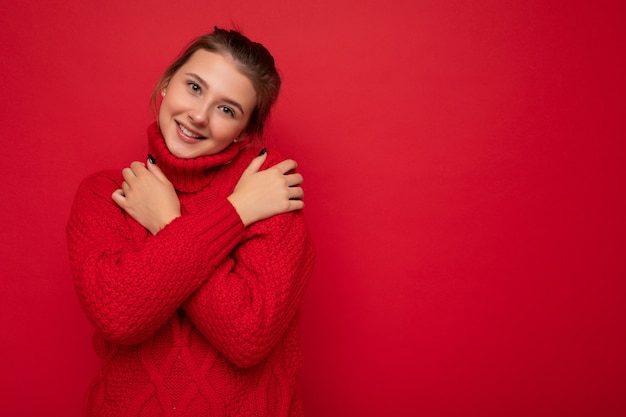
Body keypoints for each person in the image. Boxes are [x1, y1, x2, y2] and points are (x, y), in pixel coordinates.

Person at [66, 27, 315, 417]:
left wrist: (166, 221)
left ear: (244, 132)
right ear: (167, 83)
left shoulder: (269, 189)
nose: (199, 116)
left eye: (227, 109)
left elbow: (247, 336)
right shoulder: (108, 194)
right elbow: (120, 316)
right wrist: (236, 214)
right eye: (195, 87)